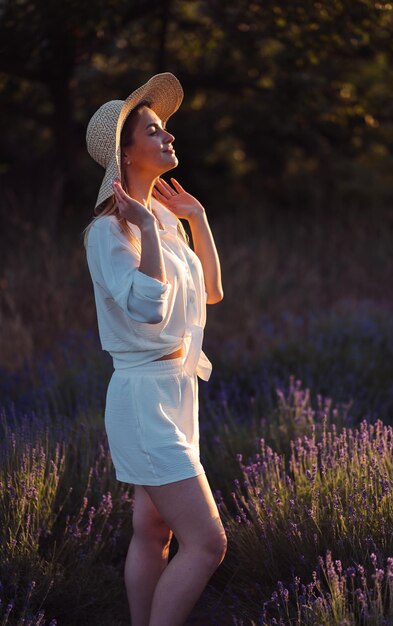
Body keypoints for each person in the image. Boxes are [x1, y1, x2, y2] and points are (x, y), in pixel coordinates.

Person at [84, 73, 227, 626]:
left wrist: (198, 219)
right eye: (154, 130)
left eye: (166, 129)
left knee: (154, 531)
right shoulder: (110, 234)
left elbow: (211, 293)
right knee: (209, 544)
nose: (169, 138)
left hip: (178, 389)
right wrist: (141, 223)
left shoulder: (165, 221)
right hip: (143, 397)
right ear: (125, 152)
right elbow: (149, 309)